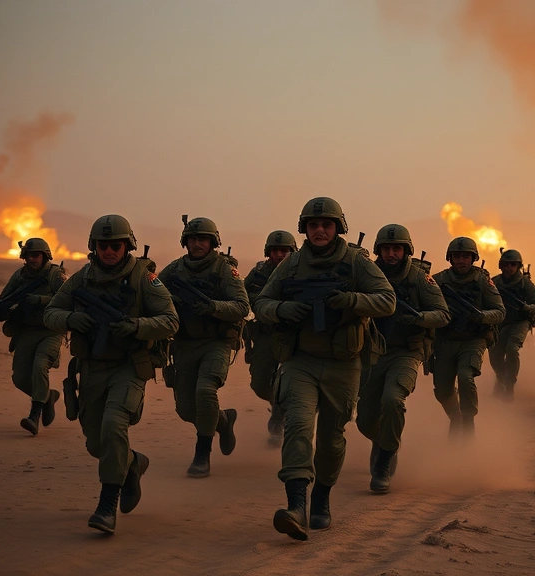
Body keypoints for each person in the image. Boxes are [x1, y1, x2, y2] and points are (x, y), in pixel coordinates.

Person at [253, 197, 394, 540]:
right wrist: (282, 310)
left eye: (326, 225)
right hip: (300, 360)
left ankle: (321, 498)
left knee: (331, 439)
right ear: (304, 229)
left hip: (343, 365)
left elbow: (387, 300)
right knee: (298, 426)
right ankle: (296, 503)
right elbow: (262, 302)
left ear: (337, 228)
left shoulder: (356, 263)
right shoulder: (292, 263)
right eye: (313, 225)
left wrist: (351, 300)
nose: (319, 230)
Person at [45, 214, 179, 534]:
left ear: (127, 246)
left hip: (129, 366)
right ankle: (132, 464)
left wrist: (136, 326)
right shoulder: (81, 279)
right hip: (92, 369)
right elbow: (51, 312)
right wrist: (70, 319)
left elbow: (170, 321)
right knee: (97, 444)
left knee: (113, 424)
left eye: (115, 246)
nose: (109, 252)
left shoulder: (143, 279)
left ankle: (107, 505)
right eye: (103, 246)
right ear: (94, 247)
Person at [356, 224, 449, 494]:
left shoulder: (420, 279)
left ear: (406, 250)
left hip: (407, 351)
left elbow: (443, 314)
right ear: (379, 251)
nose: (392, 253)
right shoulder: (369, 275)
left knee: (393, 399)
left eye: (397, 248)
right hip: (372, 351)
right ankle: (384, 441)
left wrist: (420, 318)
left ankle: (384, 460)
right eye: (386, 248)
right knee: (364, 419)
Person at [158, 217, 248, 478]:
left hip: (216, 343)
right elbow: (154, 297)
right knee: (186, 410)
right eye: (193, 239)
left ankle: (202, 454)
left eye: (203, 239)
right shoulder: (174, 271)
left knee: (206, 390)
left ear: (213, 242)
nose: (197, 244)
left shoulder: (224, 270)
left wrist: (214, 307)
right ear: (185, 242)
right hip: (185, 344)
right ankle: (222, 420)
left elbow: (242, 307)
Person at [432, 237, 506, 436]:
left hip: (474, 338)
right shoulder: (439, 280)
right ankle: (455, 417)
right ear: (450, 258)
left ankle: (468, 420)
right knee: (442, 390)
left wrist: (482, 317)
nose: (461, 260)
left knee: (466, 376)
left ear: (473, 258)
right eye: (457, 256)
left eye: (466, 256)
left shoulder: (482, 280)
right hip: (446, 338)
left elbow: (500, 311)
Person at [0, 238, 66, 435]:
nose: (32, 259)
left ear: (45, 256)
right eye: (28, 256)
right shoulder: (20, 276)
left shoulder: (55, 275)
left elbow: (69, 300)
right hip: (27, 330)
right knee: (20, 378)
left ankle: (34, 415)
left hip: (51, 330)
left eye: (36, 255)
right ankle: (47, 396)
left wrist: (40, 300)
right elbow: (5, 298)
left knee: (40, 365)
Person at [243, 230, 298, 446]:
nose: (279, 254)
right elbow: (242, 296)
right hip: (266, 334)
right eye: (275, 250)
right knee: (259, 383)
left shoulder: (300, 270)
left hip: (294, 335)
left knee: (294, 382)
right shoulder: (258, 273)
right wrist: (264, 302)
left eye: (284, 250)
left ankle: (285, 415)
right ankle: (278, 405)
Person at [487, 248, 535, 400]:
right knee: (495, 355)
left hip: (520, 321)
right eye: (506, 264)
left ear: (518, 266)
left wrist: (527, 308)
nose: (509, 268)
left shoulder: (525, 284)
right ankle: (502, 378)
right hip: (500, 323)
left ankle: (509, 384)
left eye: (513, 265)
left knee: (512, 348)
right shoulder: (495, 282)